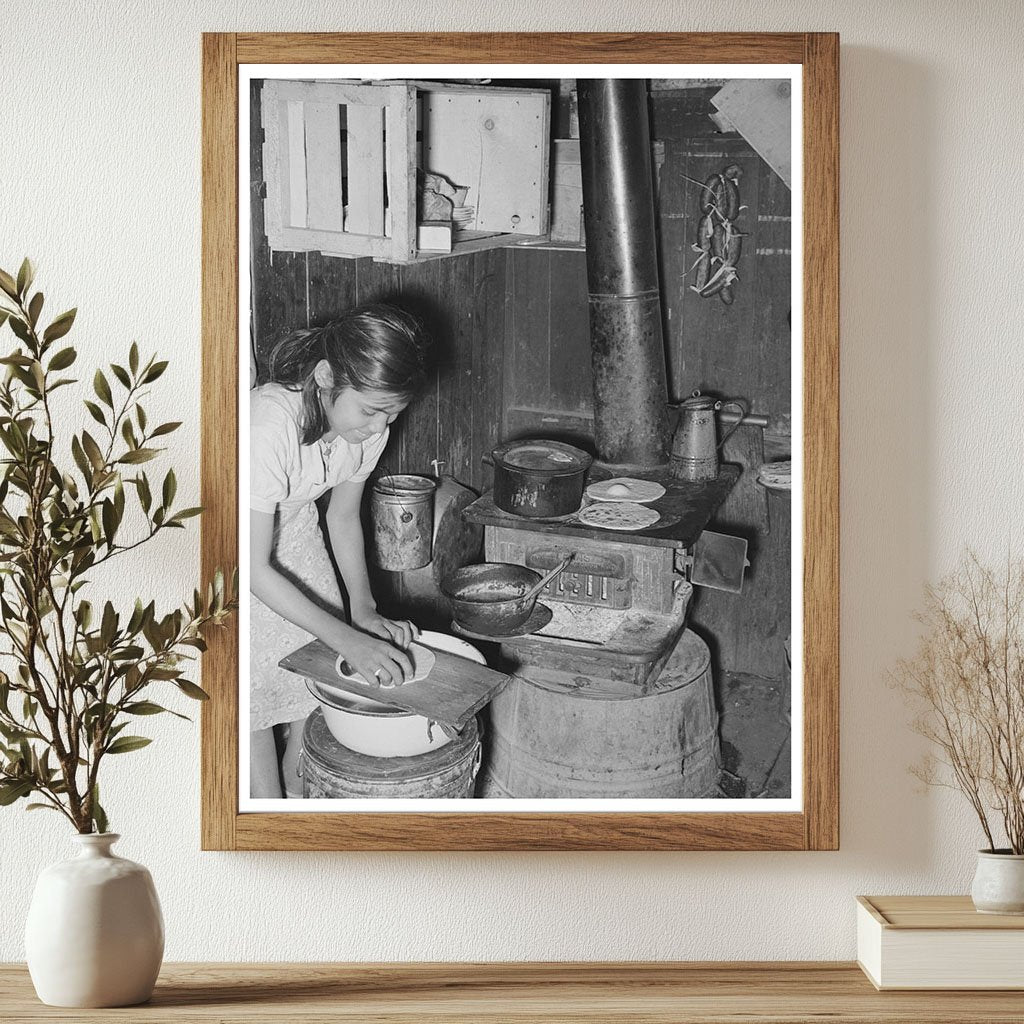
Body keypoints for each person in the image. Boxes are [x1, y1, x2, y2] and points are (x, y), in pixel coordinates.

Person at [248, 304, 430, 798]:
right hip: (238, 545)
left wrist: (363, 612)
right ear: (326, 377)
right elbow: (253, 568)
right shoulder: (269, 423)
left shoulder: (366, 431)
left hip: (300, 530)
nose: (379, 427)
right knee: (253, 700)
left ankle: (300, 792)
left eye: (392, 413)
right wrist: (347, 639)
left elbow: (343, 517)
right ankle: (266, 804)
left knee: (313, 688)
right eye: (371, 409)